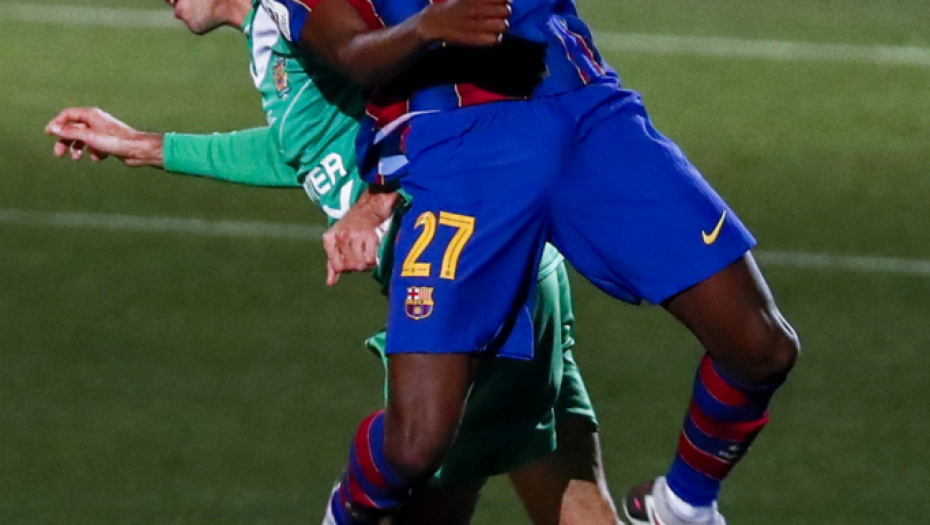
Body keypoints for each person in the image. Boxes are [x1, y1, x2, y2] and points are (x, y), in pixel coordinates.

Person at [44, 0, 623, 524]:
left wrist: (375, 202)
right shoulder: (273, 33)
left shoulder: (311, 17)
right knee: (565, 493)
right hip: (511, 265)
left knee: (420, 489)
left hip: (463, 274)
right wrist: (145, 146)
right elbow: (300, 148)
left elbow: (436, 89)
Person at [260, 0, 801, 524]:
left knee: (762, 348)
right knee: (414, 444)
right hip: (458, 153)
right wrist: (426, 27)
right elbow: (350, 52)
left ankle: (682, 507)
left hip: (588, 115)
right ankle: (346, 513)